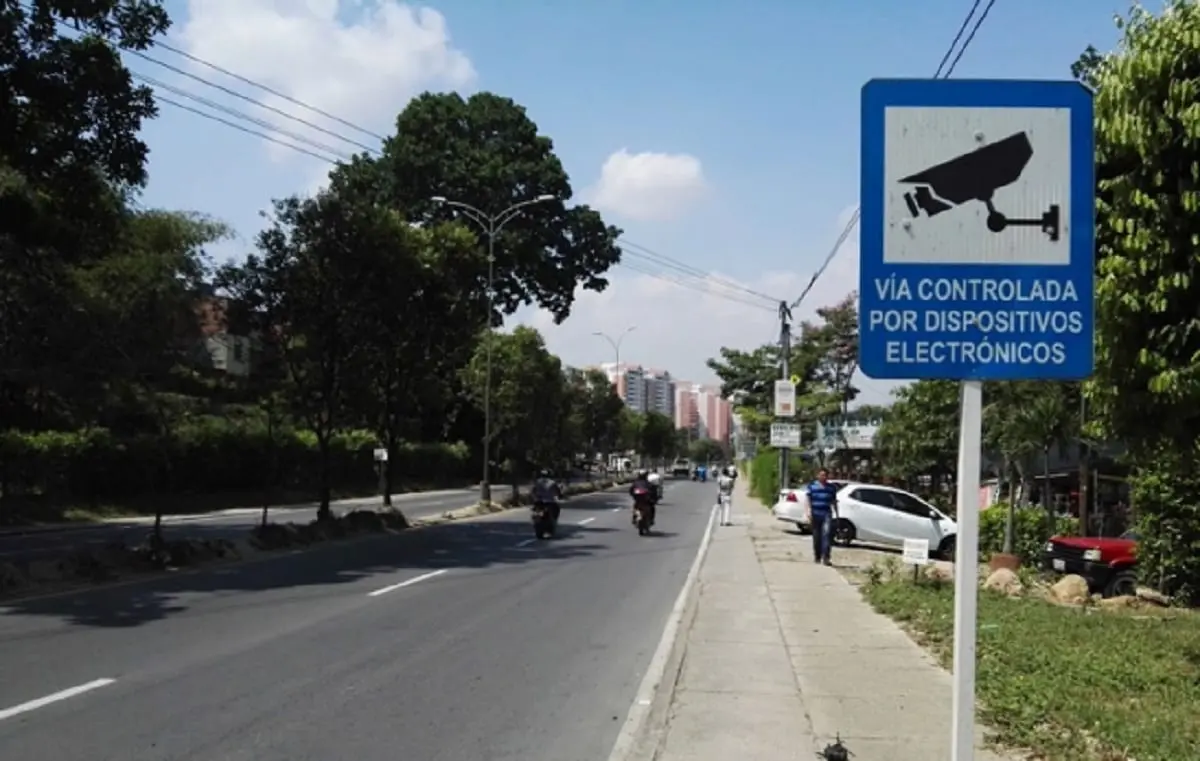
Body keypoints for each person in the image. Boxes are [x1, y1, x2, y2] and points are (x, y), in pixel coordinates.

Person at [807, 468, 839, 565]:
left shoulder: (831, 488)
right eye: (821, 475)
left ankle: (826, 557)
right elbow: (808, 499)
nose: (823, 477)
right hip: (815, 513)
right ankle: (817, 556)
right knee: (817, 536)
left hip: (826, 513)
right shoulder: (812, 486)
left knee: (827, 534)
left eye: (825, 475)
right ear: (818, 476)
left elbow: (834, 501)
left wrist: (837, 514)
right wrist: (808, 511)